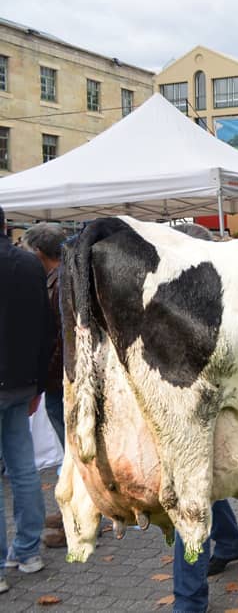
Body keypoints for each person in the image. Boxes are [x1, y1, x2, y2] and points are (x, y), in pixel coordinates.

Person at [170, 223, 238, 613]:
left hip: (206, 409)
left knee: (191, 496)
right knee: (200, 486)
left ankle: (189, 600)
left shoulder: (212, 296)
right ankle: (231, 541)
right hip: (200, 409)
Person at [0, 206, 52, 593]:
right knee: (22, 467)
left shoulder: (28, 264)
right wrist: (36, 383)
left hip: (20, 382)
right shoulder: (29, 265)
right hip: (21, 381)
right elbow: (44, 326)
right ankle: (28, 551)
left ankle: (9, 560)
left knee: (21, 467)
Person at [20, 222, 69, 549]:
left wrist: (43, 380)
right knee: (73, 452)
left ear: (39, 251)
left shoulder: (61, 282)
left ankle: (76, 521)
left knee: (75, 454)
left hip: (62, 380)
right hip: (63, 378)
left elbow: (59, 340)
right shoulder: (62, 277)